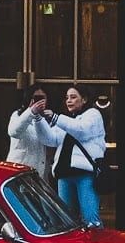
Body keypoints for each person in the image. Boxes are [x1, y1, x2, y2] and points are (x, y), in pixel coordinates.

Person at [34, 86, 107, 229]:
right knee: (66, 221)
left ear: (84, 99)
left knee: (91, 219)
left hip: (84, 174)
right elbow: (49, 139)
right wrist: (38, 119)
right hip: (64, 175)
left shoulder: (93, 114)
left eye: (73, 97)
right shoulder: (66, 119)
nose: (69, 101)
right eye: (67, 97)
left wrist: (55, 118)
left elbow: (82, 130)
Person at [6, 83, 53, 177]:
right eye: (36, 98)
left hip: (40, 172)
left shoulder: (48, 118)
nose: (39, 101)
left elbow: (53, 142)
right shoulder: (18, 115)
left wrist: (54, 119)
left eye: (42, 98)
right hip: (19, 171)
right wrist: (31, 112)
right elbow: (13, 132)